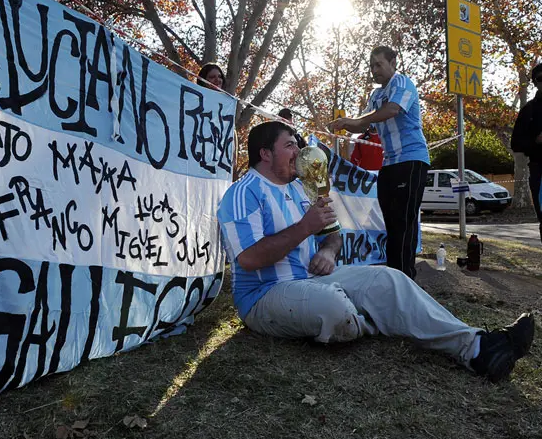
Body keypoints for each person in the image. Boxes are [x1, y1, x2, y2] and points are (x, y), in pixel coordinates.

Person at [217, 120, 534, 382]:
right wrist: (303, 228)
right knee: (334, 309)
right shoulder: (242, 194)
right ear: (265, 153)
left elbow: (333, 235)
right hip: (263, 296)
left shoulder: (301, 189)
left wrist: (328, 252)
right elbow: (248, 259)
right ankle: (371, 316)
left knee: (389, 279)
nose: (299, 151)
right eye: (290, 145)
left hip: (310, 278)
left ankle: (479, 347)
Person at [328, 46, 429, 279]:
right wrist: (343, 123)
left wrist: (356, 121)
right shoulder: (375, 96)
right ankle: (395, 275)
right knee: (391, 222)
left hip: (411, 160)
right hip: (389, 164)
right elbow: (363, 125)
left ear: (393, 62)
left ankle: (405, 277)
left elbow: (392, 110)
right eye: (371, 66)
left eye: (379, 64)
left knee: (404, 221)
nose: (374, 70)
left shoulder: (403, 84)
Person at [511, 63, 542, 243]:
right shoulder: (528, 110)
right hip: (539, 168)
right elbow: (516, 143)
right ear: (535, 83)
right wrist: (535, 142)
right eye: (540, 79)